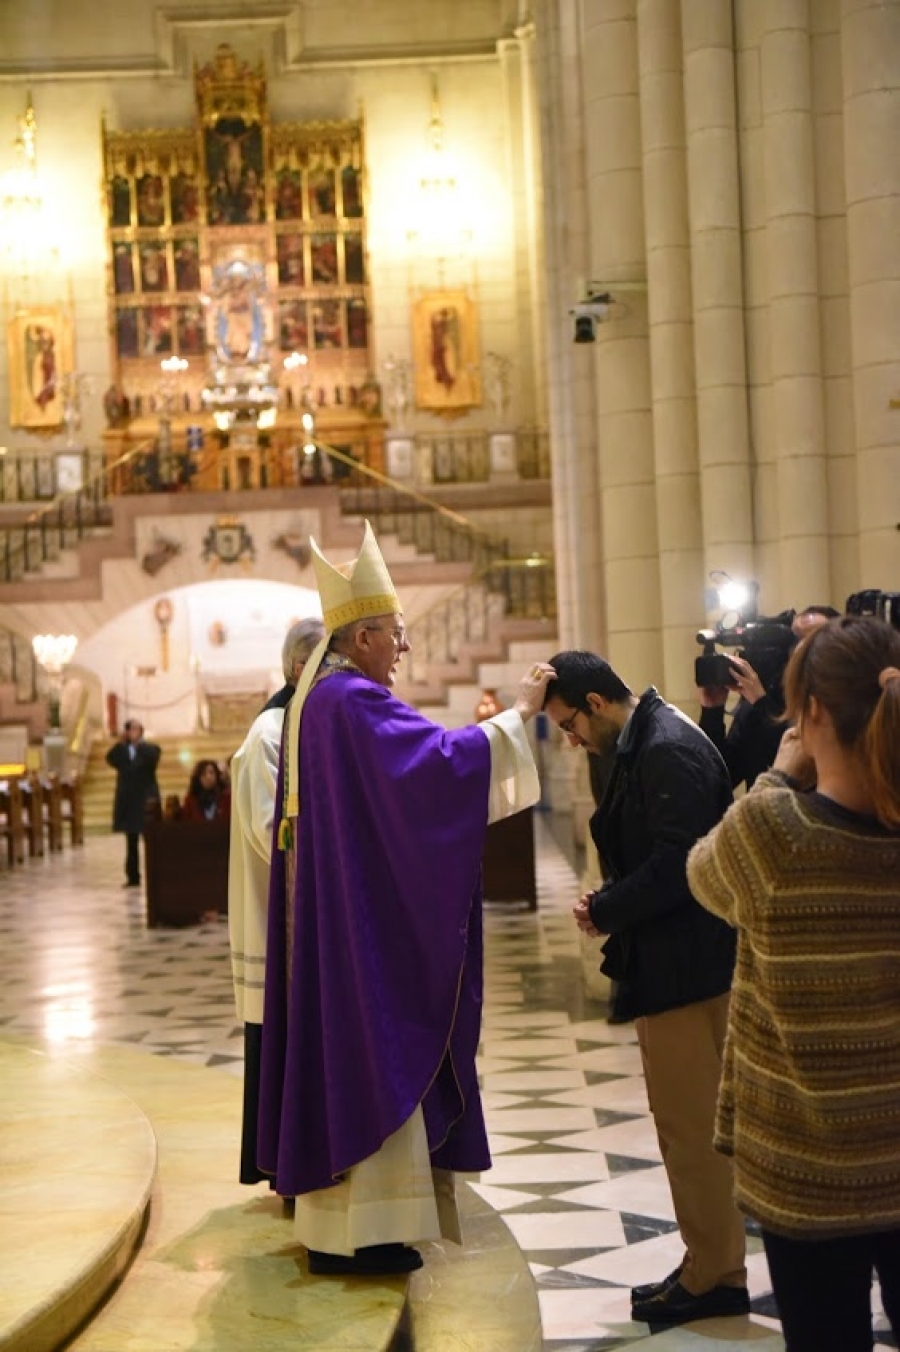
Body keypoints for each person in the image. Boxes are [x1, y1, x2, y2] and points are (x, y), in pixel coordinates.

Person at [257, 521, 547, 1277]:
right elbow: (435, 767)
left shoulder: (313, 703)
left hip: (348, 912)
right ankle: (365, 1234)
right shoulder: (351, 704)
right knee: (374, 1048)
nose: (404, 647)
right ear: (358, 639)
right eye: (395, 632)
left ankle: (348, 1229)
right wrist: (516, 718)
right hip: (364, 929)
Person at [686, 616, 900, 1352]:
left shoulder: (774, 830)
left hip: (806, 1168)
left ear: (809, 714)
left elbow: (701, 876)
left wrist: (780, 772)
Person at [542, 653, 749, 1325]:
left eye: (570, 724)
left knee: (693, 1132)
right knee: (681, 1128)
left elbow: (679, 863)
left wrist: (607, 908)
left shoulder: (665, 749)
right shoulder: (648, 741)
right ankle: (705, 1260)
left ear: (596, 701)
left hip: (687, 968)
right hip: (671, 964)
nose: (572, 739)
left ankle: (717, 1273)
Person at [227, 618, 325, 1191]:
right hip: (278, 919)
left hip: (296, 915)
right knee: (279, 1049)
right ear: (297, 669)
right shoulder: (270, 733)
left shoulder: (299, 722)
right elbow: (274, 832)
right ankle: (284, 1169)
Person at [106, 719, 161, 887]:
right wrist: (122, 742)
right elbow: (110, 758)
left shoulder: (149, 749)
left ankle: (156, 876)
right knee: (131, 842)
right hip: (129, 801)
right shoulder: (122, 751)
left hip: (145, 800)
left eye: (138, 729)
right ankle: (133, 877)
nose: (135, 732)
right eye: (132, 729)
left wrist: (139, 744)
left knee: (152, 841)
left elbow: (153, 757)